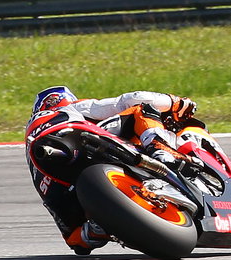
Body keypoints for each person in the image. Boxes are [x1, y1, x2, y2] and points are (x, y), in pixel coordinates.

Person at [25, 87, 200, 255]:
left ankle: (94, 230)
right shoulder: (69, 109)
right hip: (79, 139)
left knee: (75, 239)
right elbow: (128, 100)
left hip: (53, 181)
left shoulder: (31, 148)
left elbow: (80, 250)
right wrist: (177, 103)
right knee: (142, 108)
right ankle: (160, 148)